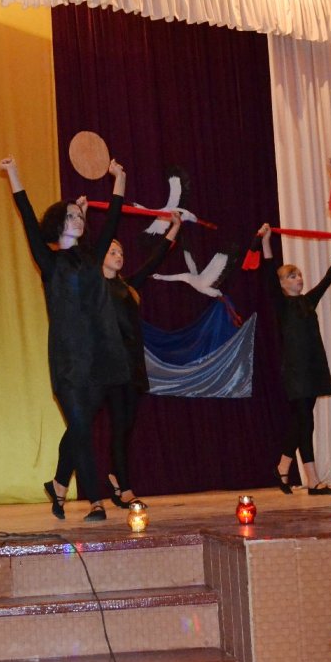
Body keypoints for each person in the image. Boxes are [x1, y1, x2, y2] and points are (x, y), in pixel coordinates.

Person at [1, 155, 126, 522]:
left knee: (78, 427)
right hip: (68, 359)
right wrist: (14, 174)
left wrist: (119, 178)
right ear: (58, 224)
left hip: (100, 357)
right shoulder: (50, 261)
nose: (78, 219)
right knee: (82, 429)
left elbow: (114, 216)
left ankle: (58, 484)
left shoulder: (93, 257)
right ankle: (95, 501)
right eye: (71, 215)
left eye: (80, 216)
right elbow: (27, 218)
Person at [258, 223, 331, 496]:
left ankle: (284, 466)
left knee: (302, 421)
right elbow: (268, 271)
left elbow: (329, 278)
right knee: (305, 422)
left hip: (314, 366)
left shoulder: (308, 300)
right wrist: (266, 241)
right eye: (292, 276)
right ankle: (312, 479)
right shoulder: (281, 304)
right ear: (282, 283)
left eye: (298, 274)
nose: (298, 278)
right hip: (296, 369)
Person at [100, 211, 181, 509]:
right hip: (111, 367)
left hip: (133, 367)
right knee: (119, 425)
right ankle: (125, 489)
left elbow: (154, 261)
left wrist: (174, 228)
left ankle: (115, 476)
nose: (119, 256)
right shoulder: (96, 288)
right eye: (112, 251)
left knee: (127, 428)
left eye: (121, 252)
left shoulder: (129, 286)